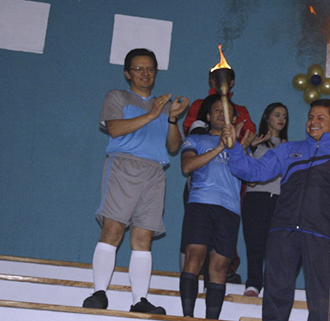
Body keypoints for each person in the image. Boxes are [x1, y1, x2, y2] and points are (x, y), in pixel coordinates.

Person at [222, 99, 330, 321]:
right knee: (276, 295)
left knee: (321, 301)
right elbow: (253, 171)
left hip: (322, 235)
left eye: (320, 118)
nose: (313, 122)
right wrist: (233, 149)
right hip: (283, 230)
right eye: (310, 117)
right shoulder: (289, 149)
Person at [83, 48, 189, 315]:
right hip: (123, 166)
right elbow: (116, 129)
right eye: (139, 69)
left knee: (144, 237)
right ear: (128, 73)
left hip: (155, 171)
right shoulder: (117, 96)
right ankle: (99, 293)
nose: (145, 74)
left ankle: (139, 300)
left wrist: (172, 117)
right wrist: (152, 115)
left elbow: (174, 146)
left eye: (150, 69)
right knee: (113, 230)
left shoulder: (164, 106)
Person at [180, 67, 255, 284]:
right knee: (195, 238)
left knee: (223, 243)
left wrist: (242, 145)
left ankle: (225, 269)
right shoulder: (199, 104)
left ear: (231, 83)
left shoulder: (240, 109)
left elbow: (248, 134)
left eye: (224, 79)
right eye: (215, 78)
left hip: (229, 188)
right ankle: (192, 272)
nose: (219, 82)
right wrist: (213, 142)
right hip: (202, 183)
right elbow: (190, 131)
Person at [179, 95, 245, 319]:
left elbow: (252, 178)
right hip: (201, 203)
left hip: (230, 209)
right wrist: (218, 148)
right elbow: (187, 166)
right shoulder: (195, 140)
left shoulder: (239, 148)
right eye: (216, 110)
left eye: (225, 112)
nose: (220, 114)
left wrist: (242, 149)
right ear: (208, 116)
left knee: (220, 266)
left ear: (233, 119)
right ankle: (188, 316)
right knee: (194, 255)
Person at [241, 103, 289, 298]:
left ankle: (272, 286)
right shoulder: (256, 142)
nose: (281, 119)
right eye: (277, 114)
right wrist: (250, 147)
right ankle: (253, 284)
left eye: (284, 116)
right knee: (255, 243)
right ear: (266, 117)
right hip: (256, 198)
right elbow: (244, 170)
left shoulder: (288, 146)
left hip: (279, 199)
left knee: (276, 246)